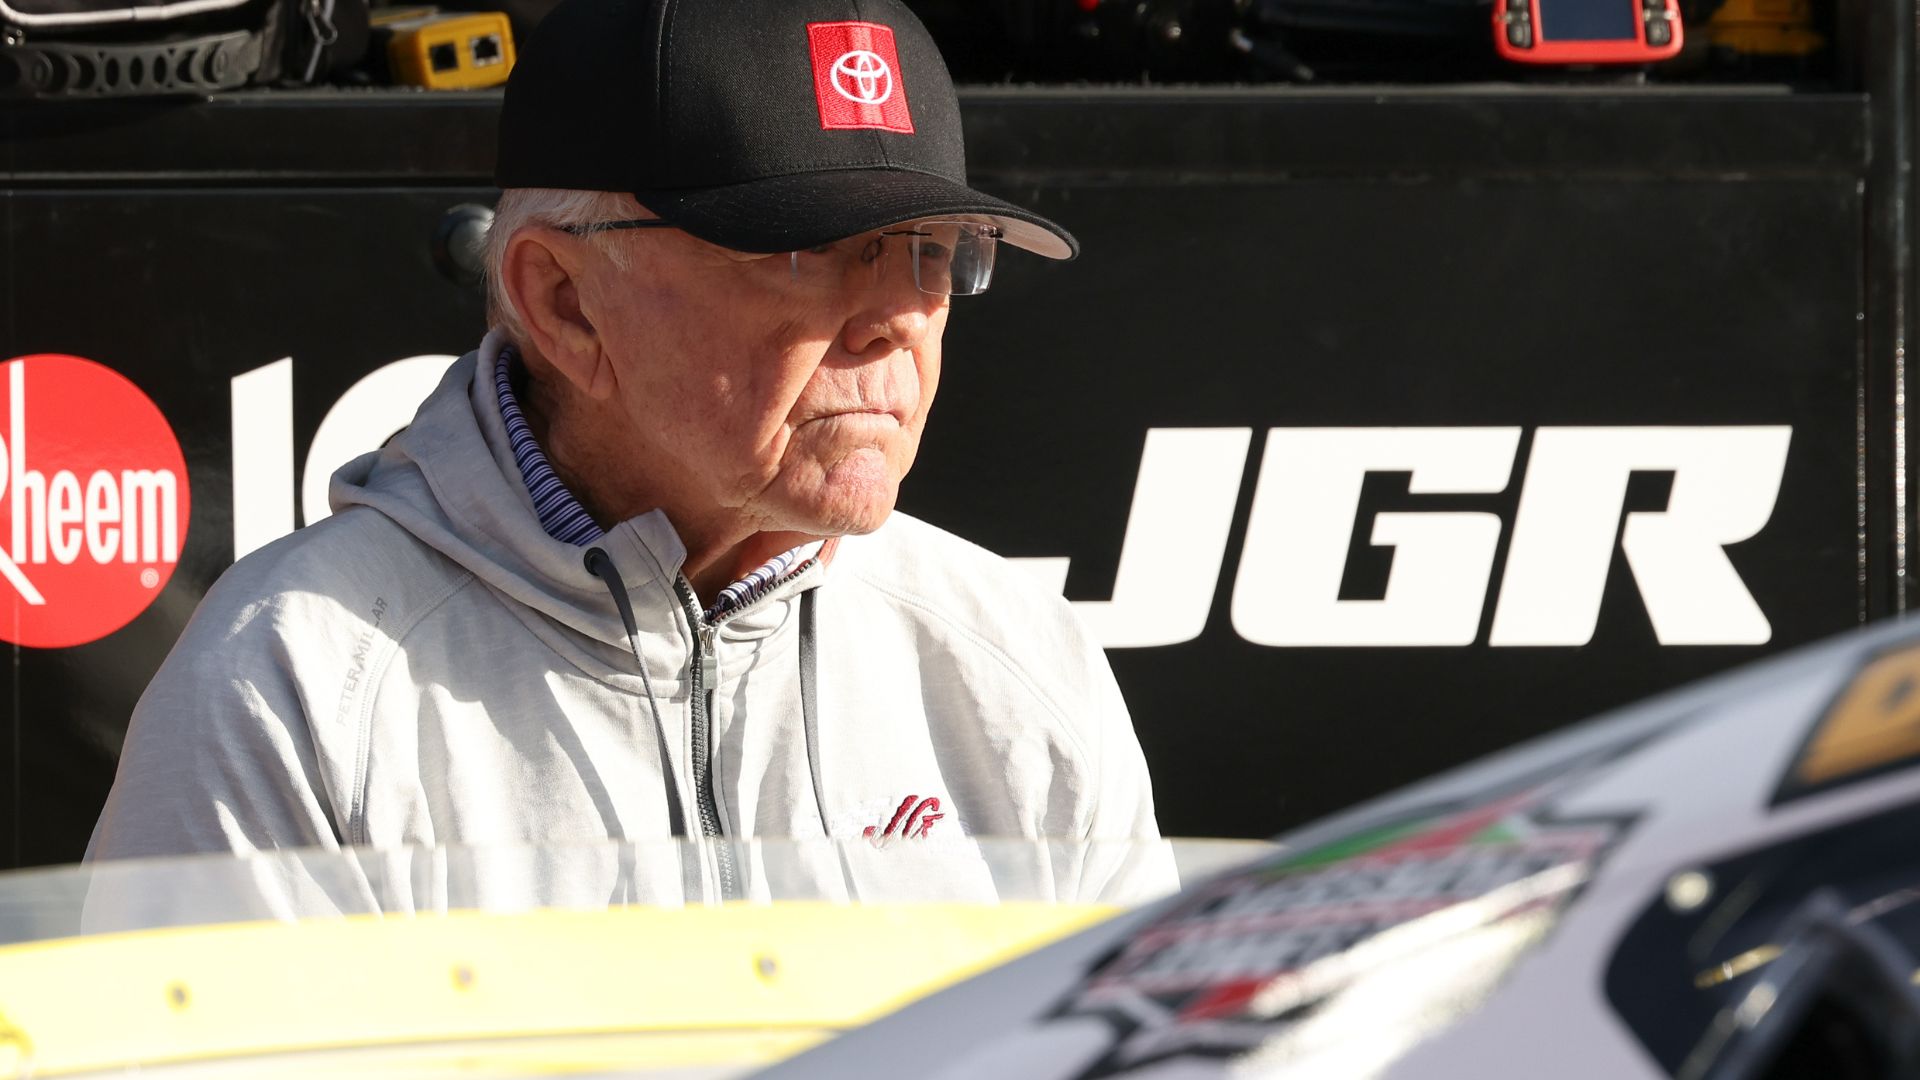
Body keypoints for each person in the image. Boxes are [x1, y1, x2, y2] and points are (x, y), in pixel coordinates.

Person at [86, 0, 1168, 902]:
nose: (896, 315)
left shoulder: (1014, 662)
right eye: (805, 250)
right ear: (562, 303)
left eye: (933, 253)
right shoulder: (296, 686)